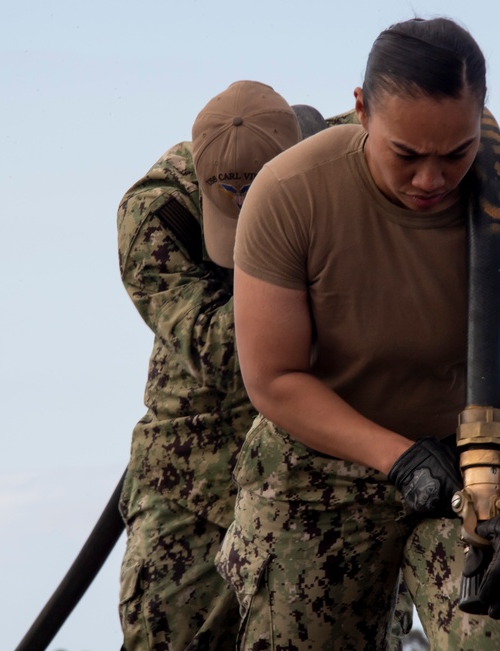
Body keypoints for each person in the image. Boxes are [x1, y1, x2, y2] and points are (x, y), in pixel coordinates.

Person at [218, 17, 500, 650]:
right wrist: (395, 456)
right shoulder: (288, 193)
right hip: (322, 457)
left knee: (496, 633)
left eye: (455, 154)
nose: (431, 180)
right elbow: (274, 378)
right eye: (407, 155)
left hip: (478, 455)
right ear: (360, 110)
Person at [115, 80, 325, 651]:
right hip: (191, 485)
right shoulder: (159, 214)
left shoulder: (349, 165)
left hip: (321, 482)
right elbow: (236, 353)